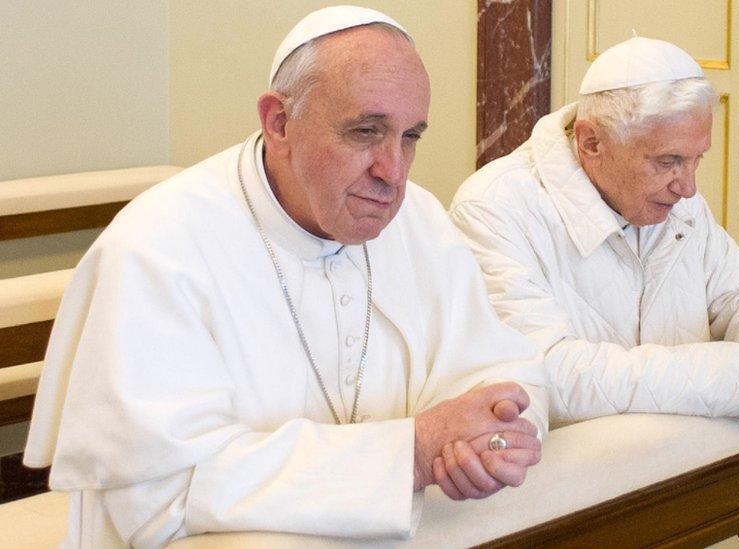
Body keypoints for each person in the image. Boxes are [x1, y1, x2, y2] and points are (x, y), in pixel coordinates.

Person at [24, 6, 548, 547]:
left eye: (410, 136)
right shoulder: (156, 248)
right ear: (279, 123)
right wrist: (409, 454)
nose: (393, 173)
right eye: (366, 131)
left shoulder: (418, 218)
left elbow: (501, 366)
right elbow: (158, 495)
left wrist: (489, 430)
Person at [450, 36, 739, 429]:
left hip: (673, 463)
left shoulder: (674, 196)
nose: (688, 186)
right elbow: (550, 374)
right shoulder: (493, 208)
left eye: (697, 160)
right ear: (592, 141)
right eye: (669, 161)